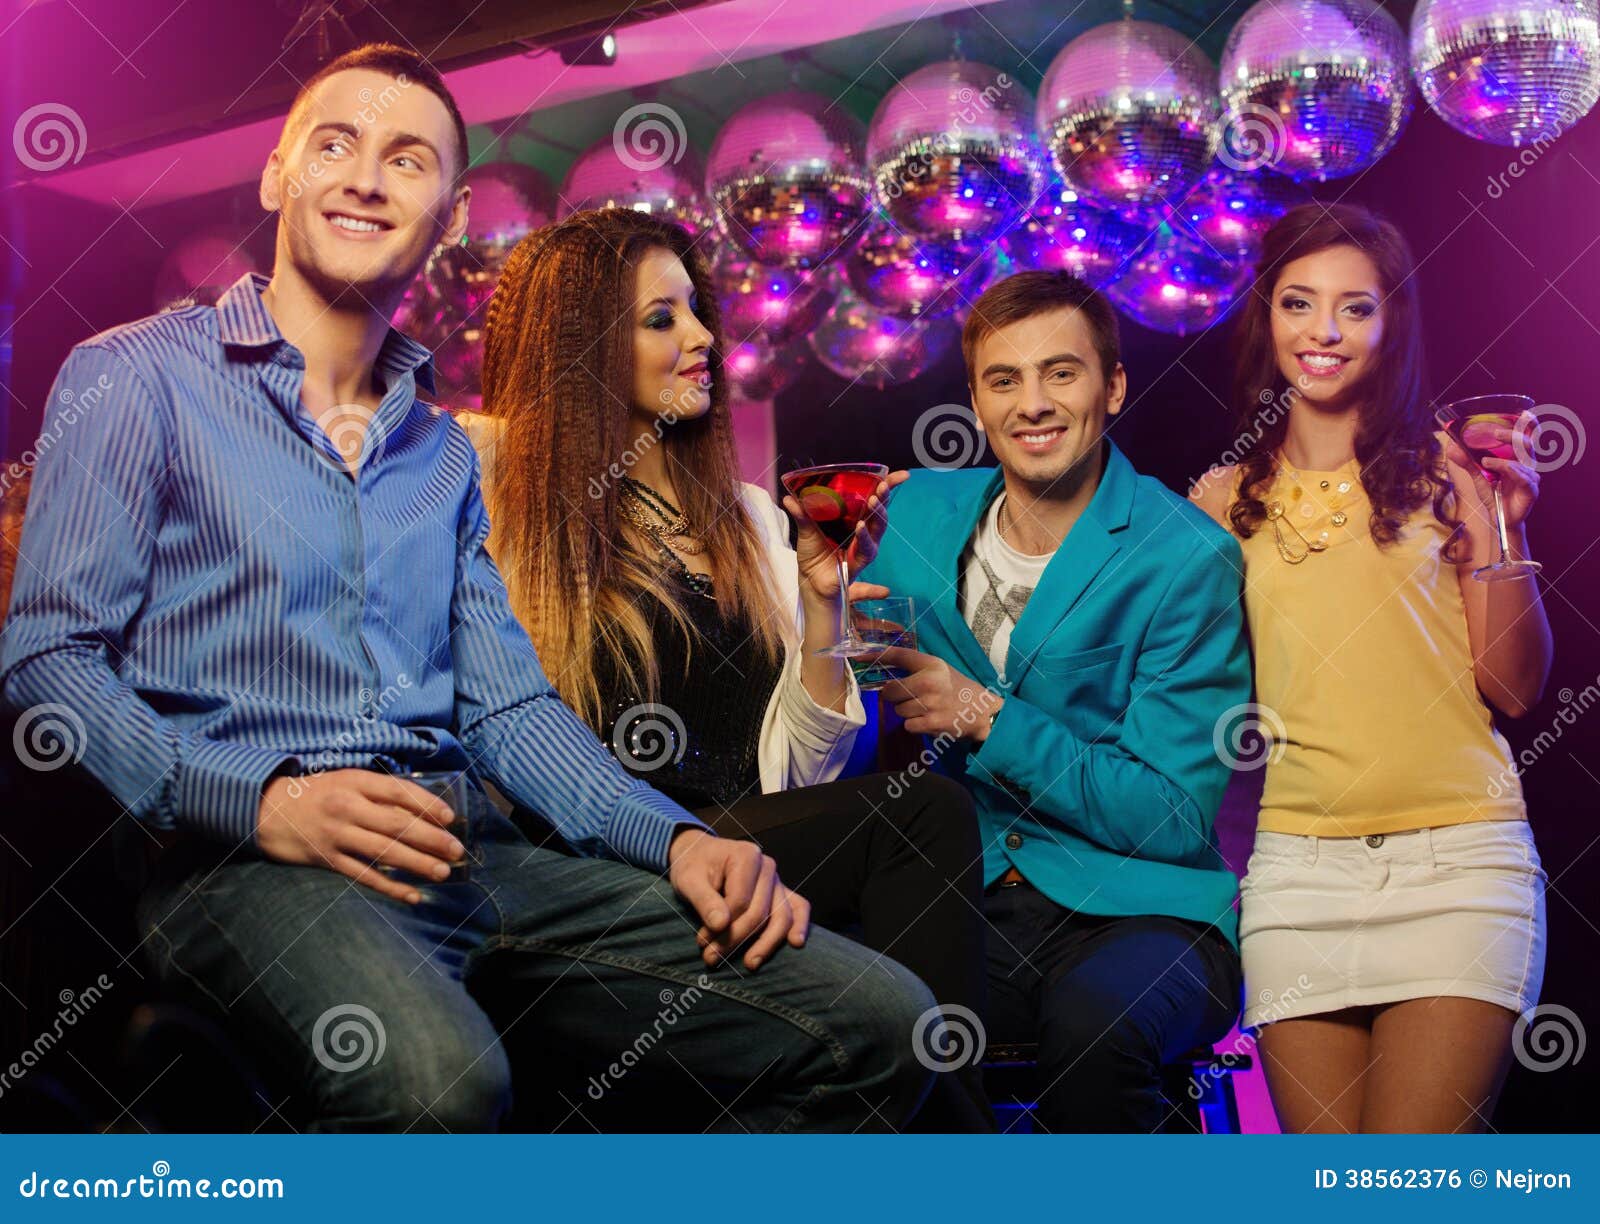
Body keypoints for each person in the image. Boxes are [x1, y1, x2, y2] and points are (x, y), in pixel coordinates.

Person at [0, 43, 937, 1133]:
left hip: (473, 854)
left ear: (446, 218)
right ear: (277, 176)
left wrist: (677, 838)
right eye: (334, 145)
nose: (362, 176)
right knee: (438, 1084)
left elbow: (510, 711)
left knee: (878, 1019)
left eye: (406, 159)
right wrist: (261, 802)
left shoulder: (440, 455)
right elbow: (47, 660)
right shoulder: (137, 378)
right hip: (249, 862)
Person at [466, 207, 993, 1130]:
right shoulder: (503, 501)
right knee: (923, 813)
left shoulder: (749, 518)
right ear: (580, 344)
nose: (705, 336)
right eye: (660, 317)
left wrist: (825, 596)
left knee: (915, 814)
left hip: (746, 848)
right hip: (604, 869)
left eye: (697, 311)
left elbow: (801, 775)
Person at [1188, 202, 1551, 1134]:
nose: (1324, 332)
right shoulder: (1220, 502)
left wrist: (1504, 521)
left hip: (1460, 865)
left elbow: (1515, 688)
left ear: (1391, 326)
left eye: (1356, 308)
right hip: (1298, 878)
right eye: (1300, 304)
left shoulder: (1450, 468)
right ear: (1266, 317)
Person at [858, 270, 1250, 1132]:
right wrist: (816, 592)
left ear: (1111, 386)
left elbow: (1174, 814)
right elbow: (848, 698)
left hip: (1145, 911)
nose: (1032, 403)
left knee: (1096, 1029)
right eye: (1005, 380)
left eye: (1060, 373)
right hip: (969, 904)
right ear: (975, 400)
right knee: (872, 1030)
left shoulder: (1186, 556)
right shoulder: (908, 513)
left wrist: (988, 716)